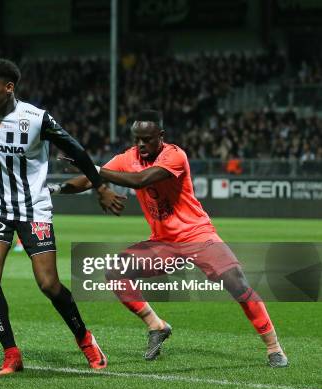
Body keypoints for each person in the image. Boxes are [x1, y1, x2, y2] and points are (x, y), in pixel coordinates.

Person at [0, 58, 124, 375]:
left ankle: (85, 339)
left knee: (48, 284)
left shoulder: (36, 119)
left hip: (33, 208)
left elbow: (78, 151)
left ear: (8, 87)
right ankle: (11, 353)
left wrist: (100, 187)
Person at [52, 110, 288, 368]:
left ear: (160, 137)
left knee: (237, 283)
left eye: (147, 139)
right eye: (137, 139)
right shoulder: (128, 157)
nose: (141, 144)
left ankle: (274, 348)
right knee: (115, 272)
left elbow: (141, 180)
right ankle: (157, 325)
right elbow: (89, 180)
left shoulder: (174, 155)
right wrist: (55, 189)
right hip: (163, 242)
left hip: (198, 235)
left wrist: (94, 168)